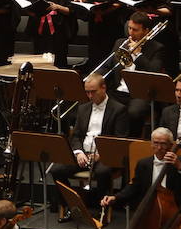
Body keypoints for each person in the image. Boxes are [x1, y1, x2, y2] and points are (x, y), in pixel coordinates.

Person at [48, 72, 130, 206]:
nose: (90, 96)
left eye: (93, 92)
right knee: (56, 170)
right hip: (84, 155)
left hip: (104, 156)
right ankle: (71, 205)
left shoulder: (119, 109)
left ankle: (101, 208)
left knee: (102, 172)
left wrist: (100, 155)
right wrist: (78, 152)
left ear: (103, 88)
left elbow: (120, 139)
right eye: (87, 92)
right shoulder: (83, 108)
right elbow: (75, 135)